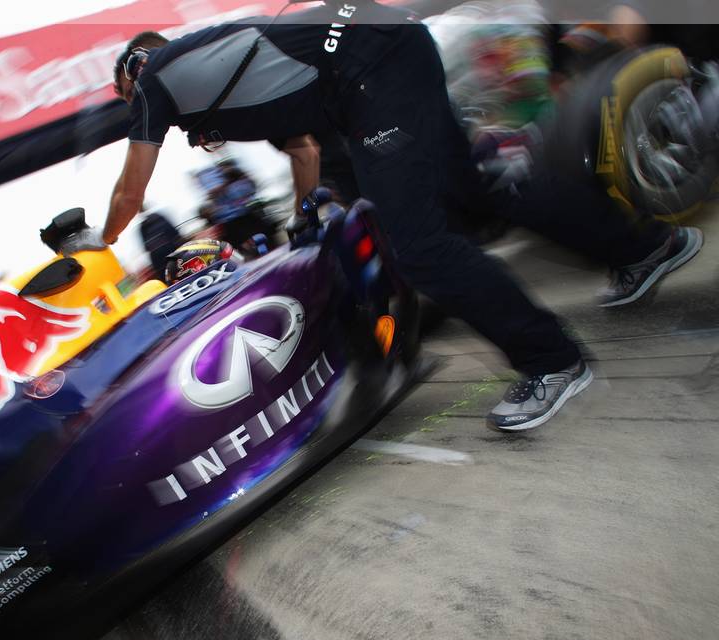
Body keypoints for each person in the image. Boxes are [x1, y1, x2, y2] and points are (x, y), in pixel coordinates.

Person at [100, 1, 697, 432]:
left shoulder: (157, 75)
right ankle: (645, 247)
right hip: (385, 53)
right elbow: (304, 151)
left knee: (421, 248)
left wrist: (98, 247)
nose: (133, 107)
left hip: (371, 73)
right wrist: (305, 217)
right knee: (479, 191)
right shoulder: (227, 75)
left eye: (126, 95)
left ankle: (553, 360)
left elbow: (129, 193)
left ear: (135, 68)